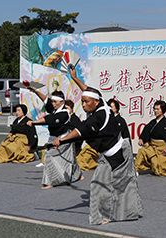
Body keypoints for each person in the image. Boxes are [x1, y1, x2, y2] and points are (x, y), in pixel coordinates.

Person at [52, 67, 143, 225]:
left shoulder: (100, 115)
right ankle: (104, 215)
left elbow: (80, 130)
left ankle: (120, 214)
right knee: (97, 185)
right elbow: (88, 90)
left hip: (119, 154)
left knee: (120, 187)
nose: (84, 105)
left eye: (86, 102)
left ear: (96, 101)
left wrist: (62, 139)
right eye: (82, 102)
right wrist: (74, 78)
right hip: (107, 155)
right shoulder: (101, 102)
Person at [28, 88, 82, 189]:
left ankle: (50, 181)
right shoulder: (54, 109)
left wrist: (34, 122)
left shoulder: (64, 113)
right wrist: (35, 91)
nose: (53, 103)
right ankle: (78, 174)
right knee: (68, 159)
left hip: (63, 139)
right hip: (53, 138)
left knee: (49, 157)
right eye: (52, 101)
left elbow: (49, 119)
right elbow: (45, 99)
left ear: (62, 102)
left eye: (55, 102)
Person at [135, 100, 166, 177]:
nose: (155, 111)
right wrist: (141, 139)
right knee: (142, 151)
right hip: (151, 147)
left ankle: (157, 166)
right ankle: (135, 170)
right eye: (154, 109)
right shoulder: (152, 122)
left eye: (158, 109)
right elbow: (146, 131)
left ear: (163, 110)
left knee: (160, 171)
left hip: (161, 149)